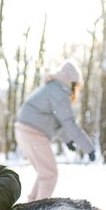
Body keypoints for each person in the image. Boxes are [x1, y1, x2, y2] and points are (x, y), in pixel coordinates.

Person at [14, 60, 95, 202]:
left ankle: (31, 206)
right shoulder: (60, 91)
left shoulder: (53, 87)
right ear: (72, 81)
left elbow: (56, 122)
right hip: (32, 133)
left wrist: (68, 141)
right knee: (50, 174)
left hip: (24, 131)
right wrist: (89, 148)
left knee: (44, 173)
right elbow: (69, 123)